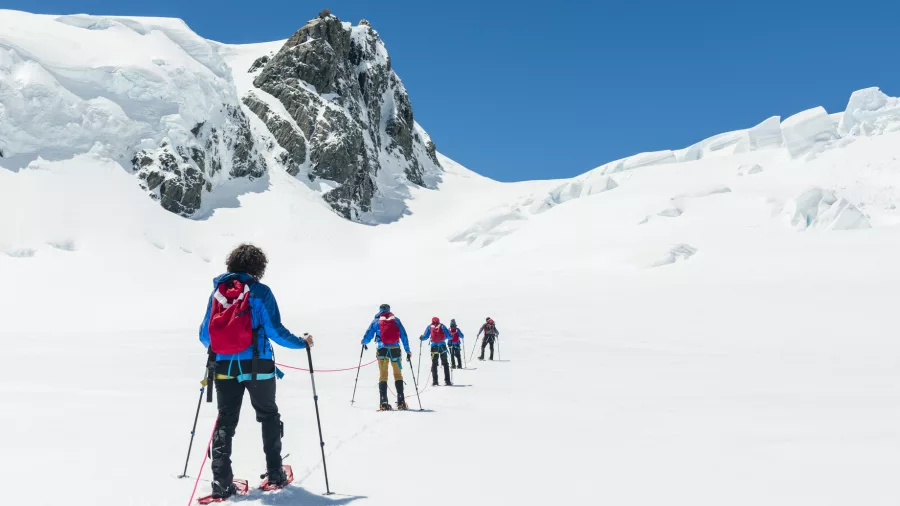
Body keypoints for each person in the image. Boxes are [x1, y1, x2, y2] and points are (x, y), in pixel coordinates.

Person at [199, 243, 314, 499]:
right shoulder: (261, 292)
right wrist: (301, 343)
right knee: (268, 415)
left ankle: (221, 483)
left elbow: (204, 335)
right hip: (258, 365)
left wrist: (226, 350)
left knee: (225, 419)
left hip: (224, 367)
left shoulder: (217, 293)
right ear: (258, 266)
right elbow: (275, 331)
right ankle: (275, 473)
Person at [362, 304, 412, 411]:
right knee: (398, 374)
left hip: (382, 350)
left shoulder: (376, 321)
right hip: (395, 350)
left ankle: (383, 402)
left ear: (380, 310)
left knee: (383, 375)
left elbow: (368, 334)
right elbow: (403, 335)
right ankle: (401, 401)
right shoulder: (396, 320)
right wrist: (407, 350)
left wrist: (364, 342)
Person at [421, 317, 453, 386]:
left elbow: (425, 336)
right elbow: (449, 336)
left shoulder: (430, 327)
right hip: (442, 346)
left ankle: (435, 381)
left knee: (434, 364)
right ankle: (447, 381)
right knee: (445, 364)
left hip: (434, 347)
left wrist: (421, 338)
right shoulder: (442, 326)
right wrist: (448, 337)